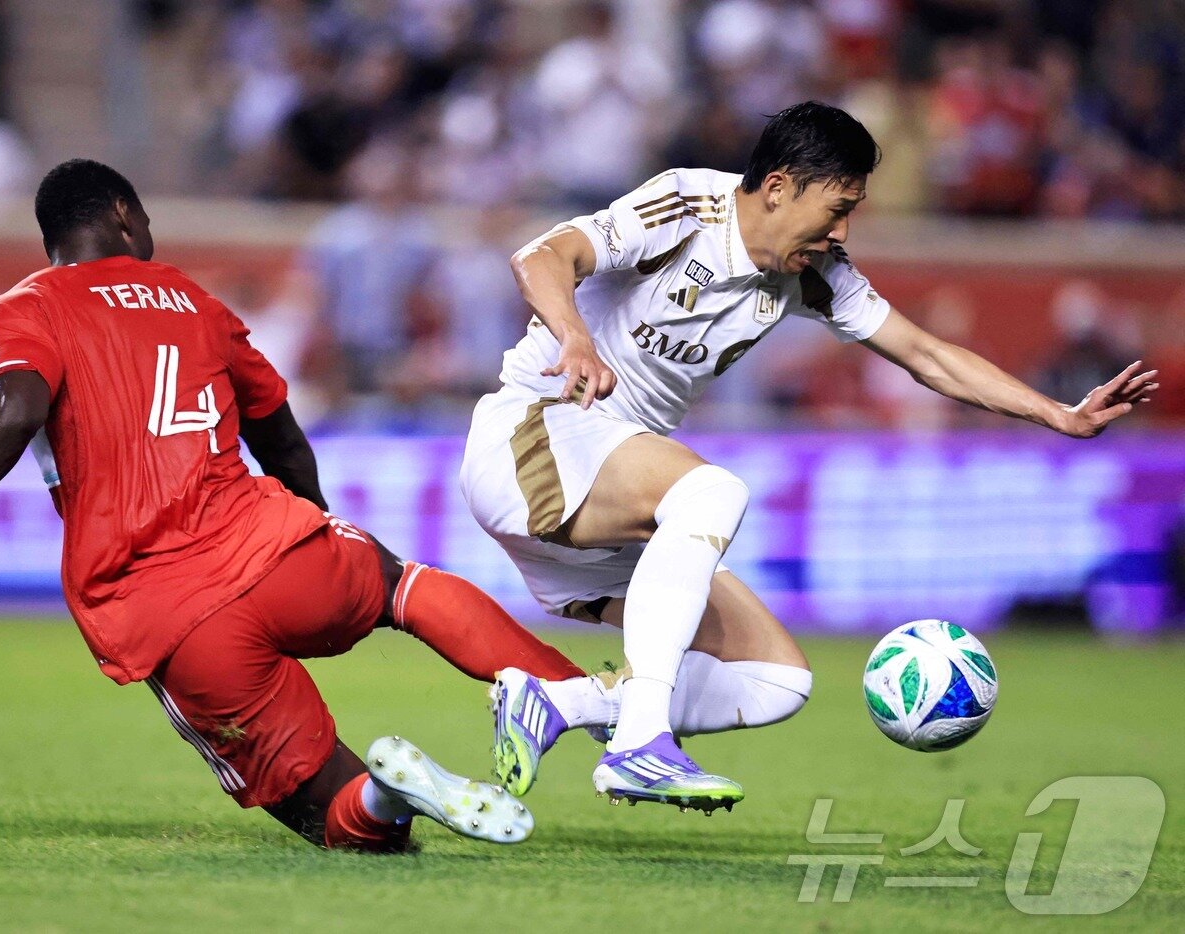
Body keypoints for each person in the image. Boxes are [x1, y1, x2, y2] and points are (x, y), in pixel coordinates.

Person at [0, 159, 589, 852]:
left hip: (169, 611)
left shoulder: (23, 308)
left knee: (330, 817)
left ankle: (390, 793)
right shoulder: (191, 299)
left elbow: (14, 409)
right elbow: (280, 435)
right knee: (403, 588)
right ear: (123, 213)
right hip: (271, 541)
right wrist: (315, 528)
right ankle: (586, 696)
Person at [464, 101, 1158, 811]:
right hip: (535, 434)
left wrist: (1055, 413)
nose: (843, 231)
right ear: (778, 187)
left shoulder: (813, 273)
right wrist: (574, 337)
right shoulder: (685, 206)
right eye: (838, 207)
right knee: (711, 493)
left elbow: (923, 354)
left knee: (774, 682)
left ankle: (551, 705)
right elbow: (541, 255)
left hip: (600, 498)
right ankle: (640, 745)